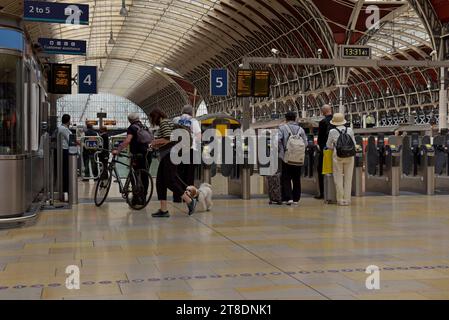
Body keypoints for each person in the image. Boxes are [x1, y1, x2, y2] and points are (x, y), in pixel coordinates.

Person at [149, 108, 197, 218]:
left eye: (152, 118)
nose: (152, 121)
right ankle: (163, 209)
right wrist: (157, 145)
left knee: (170, 180)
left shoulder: (164, 122)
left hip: (171, 155)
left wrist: (153, 142)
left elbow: (168, 138)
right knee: (160, 181)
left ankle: (189, 201)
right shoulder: (167, 122)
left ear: (156, 116)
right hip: (169, 154)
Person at [112, 113, 150, 206]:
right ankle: (143, 198)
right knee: (144, 176)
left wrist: (118, 150)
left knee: (134, 175)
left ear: (129, 120)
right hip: (147, 154)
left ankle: (136, 198)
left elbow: (128, 140)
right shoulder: (144, 126)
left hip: (137, 155)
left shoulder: (132, 128)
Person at [172, 104, 202, 203]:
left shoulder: (176, 120)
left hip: (178, 151)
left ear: (182, 111)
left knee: (178, 175)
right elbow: (198, 136)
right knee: (189, 175)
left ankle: (177, 198)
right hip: (190, 150)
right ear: (191, 112)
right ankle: (188, 199)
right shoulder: (193, 121)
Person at [326, 113, 356, 206]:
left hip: (338, 156)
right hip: (349, 156)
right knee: (348, 178)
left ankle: (340, 199)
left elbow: (328, 145)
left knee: (338, 178)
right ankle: (347, 199)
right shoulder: (350, 130)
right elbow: (354, 143)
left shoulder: (332, 131)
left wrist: (334, 148)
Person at [278, 111, 308, 205]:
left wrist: (282, 153)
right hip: (298, 158)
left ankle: (288, 197)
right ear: (295, 118)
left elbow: (278, 141)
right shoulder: (301, 129)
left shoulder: (282, 128)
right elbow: (305, 143)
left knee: (286, 178)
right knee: (296, 178)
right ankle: (296, 198)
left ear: (286, 119)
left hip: (286, 157)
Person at [316, 104, 333, 199]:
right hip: (336, 152)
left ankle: (323, 193)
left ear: (323, 112)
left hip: (325, 151)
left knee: (321, 171)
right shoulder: (336, 121)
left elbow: (320, 139)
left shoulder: (323, 122)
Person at [57, 114, 72, 201]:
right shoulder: (64, 129)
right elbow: (70, 140)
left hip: (62, 151)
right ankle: (66, 191)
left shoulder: (60, 128)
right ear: (68, 121)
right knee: (66, 172)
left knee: (65, 171)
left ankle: (65, 191)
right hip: (65, 151)